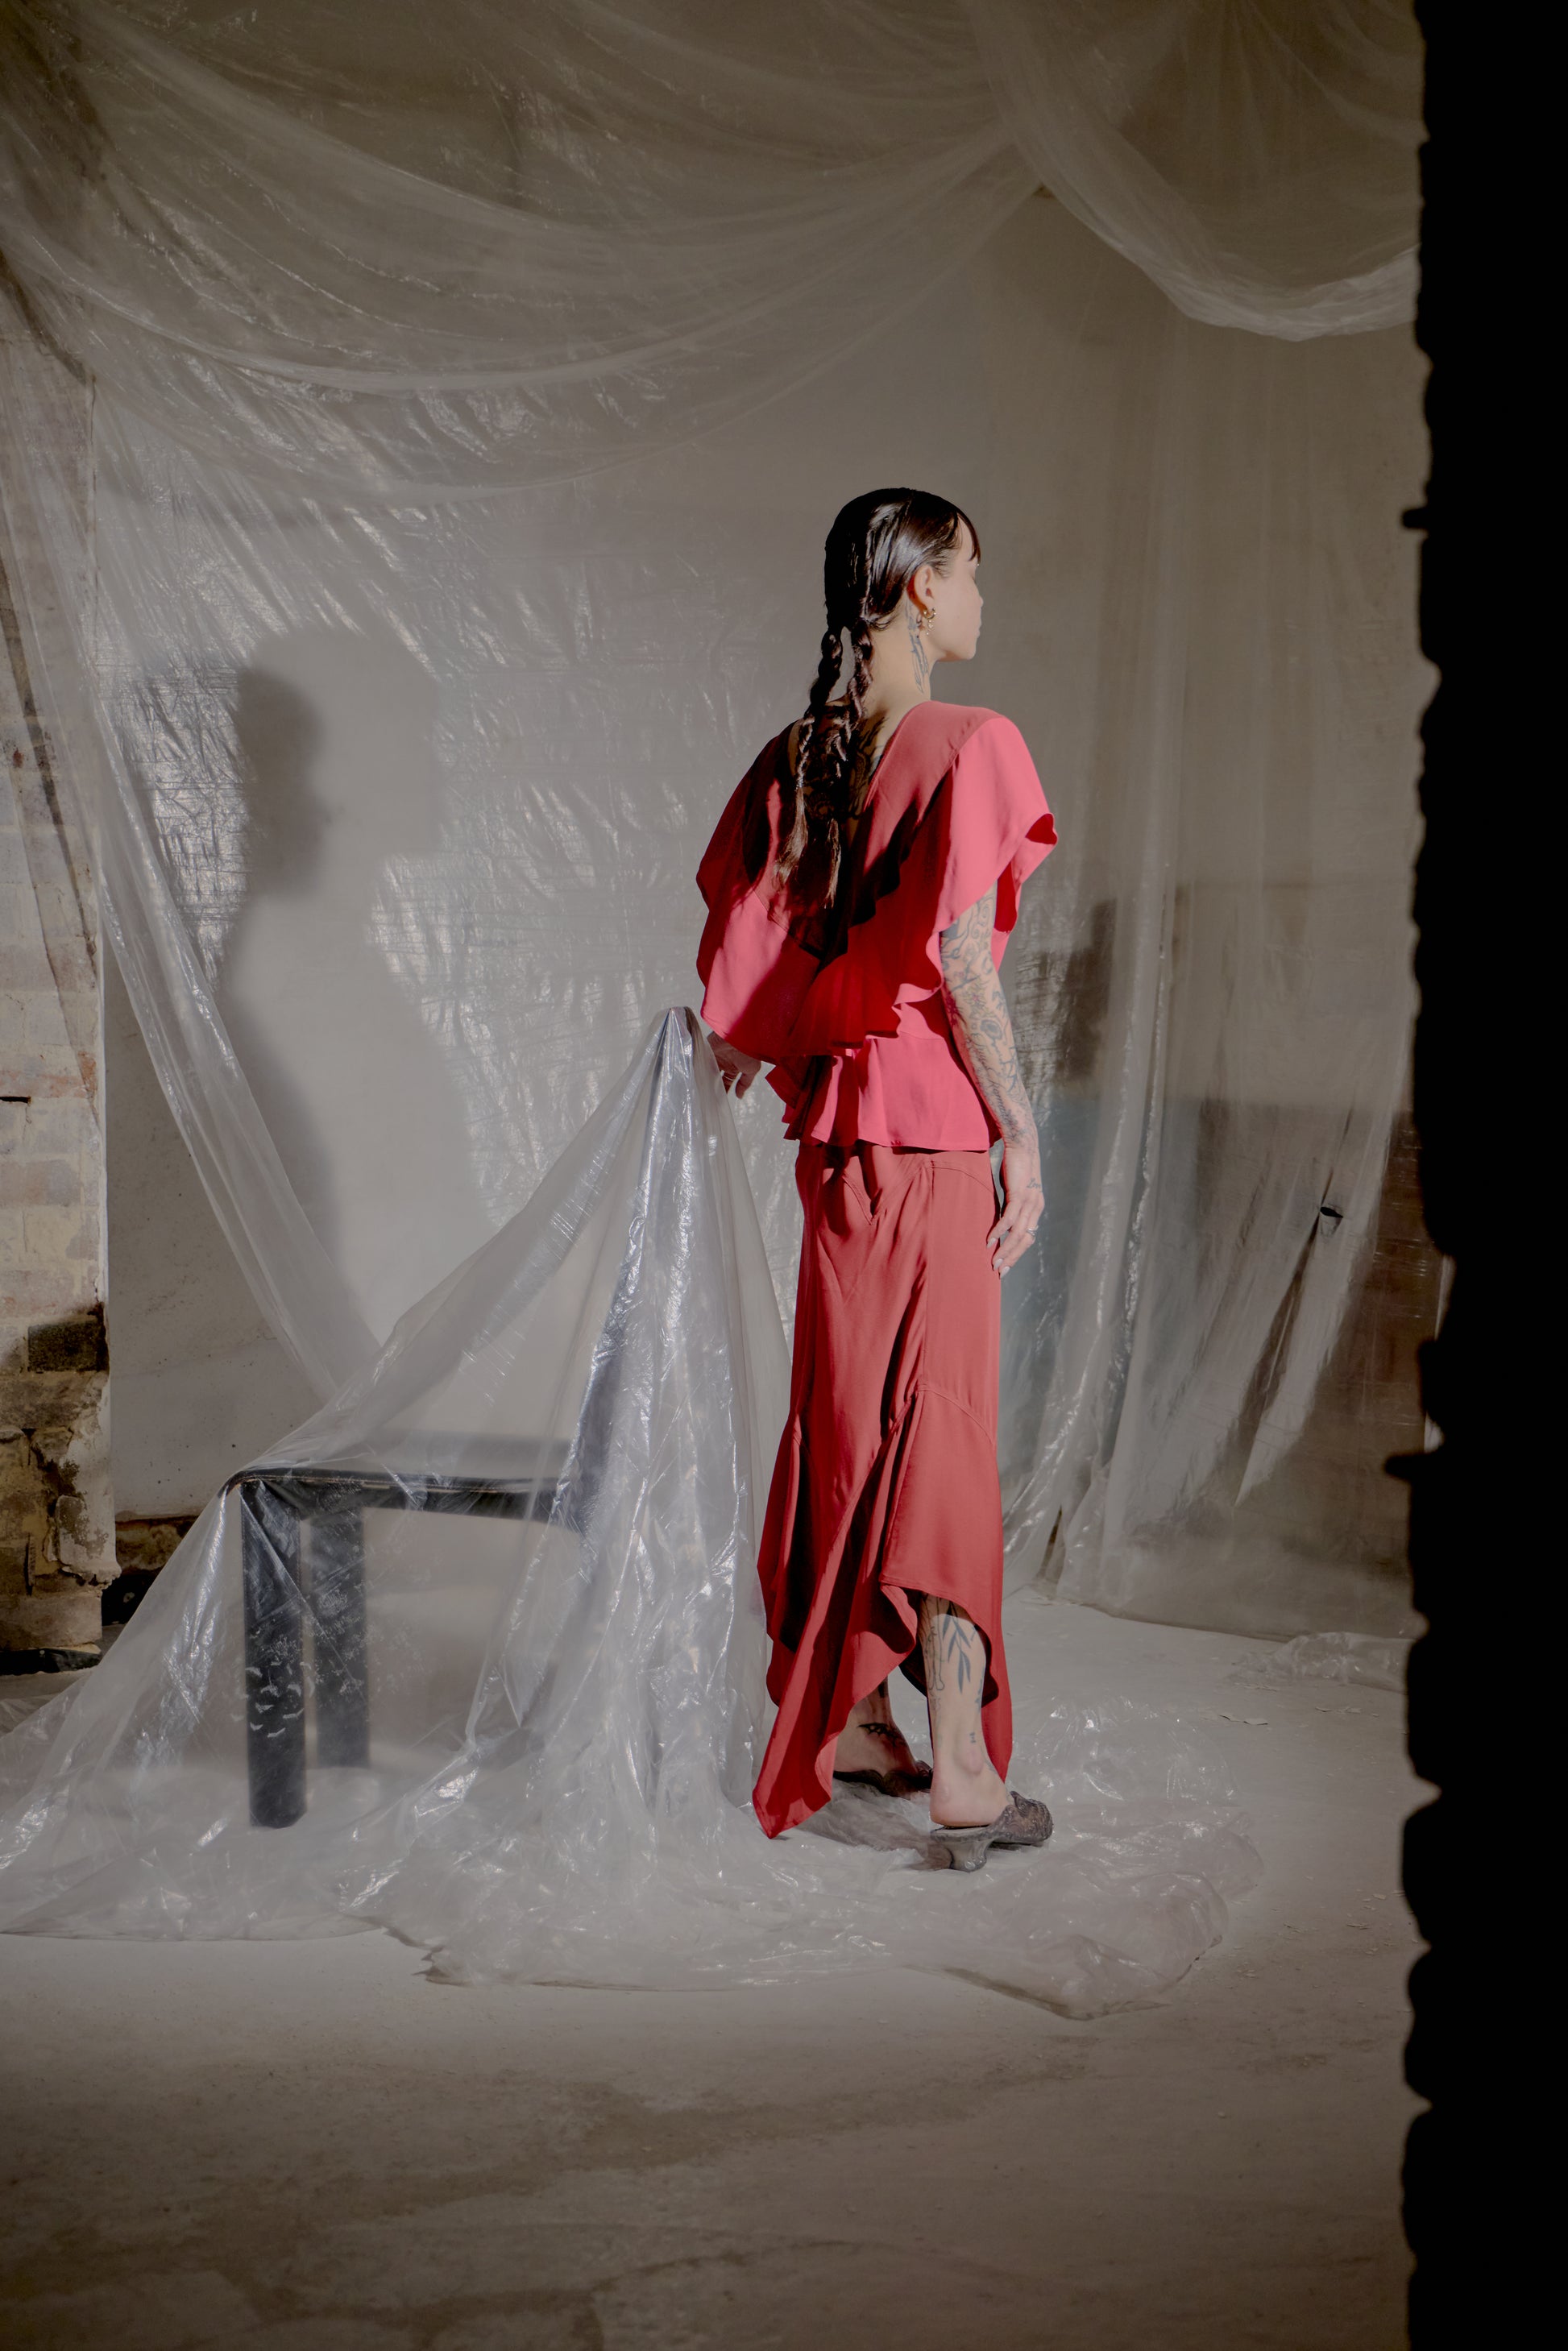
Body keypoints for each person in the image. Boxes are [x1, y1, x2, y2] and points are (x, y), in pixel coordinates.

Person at [694, 488, 1058, 1872]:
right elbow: (960, 963)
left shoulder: (804, 753)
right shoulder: (972, 741)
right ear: (916, 589)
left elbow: (753, 967)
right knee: (942, 1434)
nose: (979, 600)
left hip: (838, 1145)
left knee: (847, 1424)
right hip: (929, 1138)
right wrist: (1020, 1131)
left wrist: (753, 1044)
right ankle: (961, 1762)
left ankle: (851, 1723)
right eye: (969, 573)